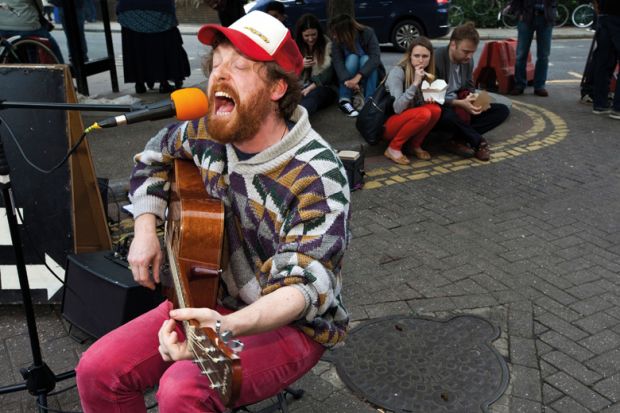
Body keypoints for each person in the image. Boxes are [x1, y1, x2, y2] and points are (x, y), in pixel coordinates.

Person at [75, 10, 350, 413]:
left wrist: (225, 326)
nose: (219, 75)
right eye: (216, 63)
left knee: (182, 390)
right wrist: (146, 227)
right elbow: (152, 156)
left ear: (276, 88)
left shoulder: (317, 173)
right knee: (97, 372)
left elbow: (304, 287)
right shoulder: (207, 132)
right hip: (205, 296)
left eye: (239, 66)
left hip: (290, 323)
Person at [434, 22, 510, 162]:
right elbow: (433, 96)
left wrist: (473, 97)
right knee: (447, 116)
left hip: (461, 102)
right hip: (444, 105)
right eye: (466, 51)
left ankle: (457, 139)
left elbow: (469, 86)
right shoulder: (437, 58)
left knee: (502, 110)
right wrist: (460, 103)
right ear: (453, 45)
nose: (469, 56)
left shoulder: (468, 61)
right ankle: (478, 141)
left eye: (472, 52)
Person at [383, 36, 441, 165]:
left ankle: (414, 145)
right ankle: (393, 148)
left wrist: (434, 94)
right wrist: (415, 83)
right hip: (387, 124)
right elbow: (397, 108)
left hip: (408, 120)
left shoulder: (427, 74)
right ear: (410, 56)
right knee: (424, 113)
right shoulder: (398, 72)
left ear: (431, 57)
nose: (421, 60)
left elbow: (425, 106)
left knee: (435, 110)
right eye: (417, 56)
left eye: (425, 56)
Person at [116, 0, 190, 94]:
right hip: (157, 8)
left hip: (128, 9)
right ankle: (163, 82)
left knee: (136, 44)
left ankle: (139, 83)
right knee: (162, 43)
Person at [329, 14, 384, 117]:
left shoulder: (367, 33)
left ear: (345, 32)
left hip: (366, 73)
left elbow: (375, 58)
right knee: (352, 57)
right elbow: (338, 62)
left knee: (366, 59)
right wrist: (349, 81)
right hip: (347, 77)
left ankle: (369, 101)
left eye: (336, 33)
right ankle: (344, 100)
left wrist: (358, 78)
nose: (334, 36)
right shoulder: (336, 41)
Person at [507, 0, 557, 97]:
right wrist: (518, 12)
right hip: (526, 17)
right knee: (521, 54)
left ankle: (539, 86)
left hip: (546, 18)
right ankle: (519, 85)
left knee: (543, 55)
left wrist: (552, 11)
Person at [295, 13, 337, 116]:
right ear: (301, 35)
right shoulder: (296, 46)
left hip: (324, 87)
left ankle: (299, 118)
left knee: (313, 97)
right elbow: (289, 72)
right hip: (301, 84)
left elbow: (329, 73)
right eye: (306, 35)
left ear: (319, 32)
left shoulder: (327, 44)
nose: (310, 39)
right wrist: (301, 65)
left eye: (313, 34)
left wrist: (311, 87)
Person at [0, 0, 65, 63]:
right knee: (50, 44)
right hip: (28, 26)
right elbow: (39, 6)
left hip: (2, 29)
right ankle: (61, 70)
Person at [591, 0, 620, 119]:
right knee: (604, 61)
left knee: (604, 61)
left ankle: (600, 104)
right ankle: (618, 108)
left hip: (604, 16)